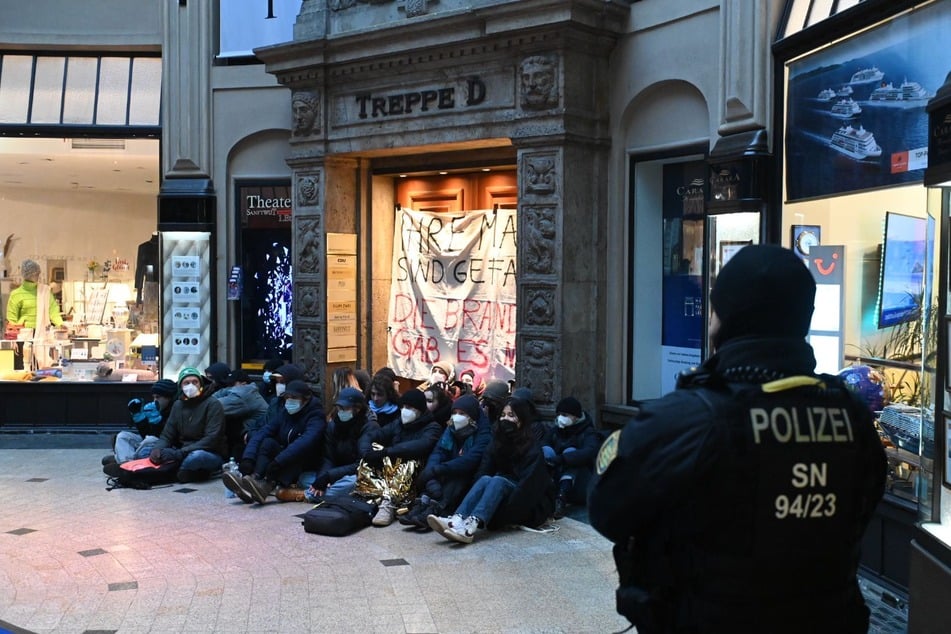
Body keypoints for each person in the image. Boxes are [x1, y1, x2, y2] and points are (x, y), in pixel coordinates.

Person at [588, 244, 887, 634]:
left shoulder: (686, 418)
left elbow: (606, 508)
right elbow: (863, 508)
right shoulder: (853, 415)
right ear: (805, 319)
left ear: (720, 320)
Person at [427, 395, 556, 544]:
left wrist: (501, 516)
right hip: (499, 493)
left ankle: (471, 526)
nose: (505, 419)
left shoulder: (532, 448)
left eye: (511, 415)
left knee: (497, 480)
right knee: (486, 479)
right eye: (503, 415)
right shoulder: (497, 441)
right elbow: (483, 470)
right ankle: (457, 518)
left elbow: (528, 488)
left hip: (525, 503)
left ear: (521, 420)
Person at [399, 394, 491, 530]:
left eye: (462, 413)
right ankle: (422, 505)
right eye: (454, 413)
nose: (456, 417)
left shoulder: (483, 434)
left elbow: (470, 460)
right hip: (447, 468)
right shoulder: (451, 429)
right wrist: (432, 472)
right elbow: (438, 452)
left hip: (468, 476)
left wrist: (438, 469)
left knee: (456, 477)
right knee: (433, 472)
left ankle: (437, 509)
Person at [225, 379, 325, 504]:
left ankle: (267, 485)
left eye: (294, 397)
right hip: (286, 454)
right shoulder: (285, 413)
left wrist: (278, 461)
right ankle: (254, 478)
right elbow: (263, 432)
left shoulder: (316, 416)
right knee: (268, 443)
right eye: (287, 397)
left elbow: (305, 442)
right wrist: (248, 458)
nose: (289, 401)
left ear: (306, 399)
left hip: (306, 461)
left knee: (296, 456)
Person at [357, 388, 442, 526]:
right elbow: (372, 436)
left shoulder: (432, 427)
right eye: (403, 407)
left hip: (415, 476)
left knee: (410, 462)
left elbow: (420, 446)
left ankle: (388, 503)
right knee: (373, 449)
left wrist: (387, 452)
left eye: (409, 407)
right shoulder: (398, 424)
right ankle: (370, 494)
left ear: (419, 410)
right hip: (392, 471)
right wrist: (368, 453)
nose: (404, 411)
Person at [145, 367, 228, 483]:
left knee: (196, 457)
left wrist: (179, 453)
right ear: (181, 387)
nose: (191, 386)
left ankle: (171, 473)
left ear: (201, 384)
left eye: (195, 382)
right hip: (181, 450)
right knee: (146, 450)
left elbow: (211, 439)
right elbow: (167, 435)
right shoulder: (178, 405)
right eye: (186, 383)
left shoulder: (212, 404)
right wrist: (157, 449)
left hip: (208, 452)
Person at [304, 386, 380, 501]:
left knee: (353, 483)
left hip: (356, 474)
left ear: (358, 409)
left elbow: (361, 464)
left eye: (345, 408)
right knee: (304, 478)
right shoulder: (333, 426)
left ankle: (308, 495)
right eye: (339, 408)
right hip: (336, 473)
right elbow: (328, 457)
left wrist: (330, 476)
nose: (341, 412)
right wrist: (322, 478)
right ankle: (323, 492)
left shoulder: (369, 427)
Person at [541, 396, 602, 519]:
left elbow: (589, 451)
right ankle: (545, 491)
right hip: (556, 476)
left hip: (580, 482)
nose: (560, 418)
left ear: (575, 416)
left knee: (572, 452)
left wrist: (562, 458)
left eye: (564, 414)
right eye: (558, 414)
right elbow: (542, 444)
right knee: (546, 450)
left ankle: (561, 497)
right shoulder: (555, 430)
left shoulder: (588, 432)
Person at [103, 378, 178, 465]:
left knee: (149, 440)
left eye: (158, 397)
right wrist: (139, 418)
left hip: (165, 445)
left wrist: (157, 422)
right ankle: (125, 463)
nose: (155, 401)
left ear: (168, 397)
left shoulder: (176, 409)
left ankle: (124, 460)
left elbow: (166, 437)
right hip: (149, 441)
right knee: (123, 436)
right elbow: (146, 434)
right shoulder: (157, 408)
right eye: (153, 397)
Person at [6, 259, 64, 369]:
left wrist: (61, 324)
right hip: (23, 337)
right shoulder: (16, 294)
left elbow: (53, 311)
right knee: (24, 369)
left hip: (42, 336)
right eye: (35, 273)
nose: (38, 276)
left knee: (43, 370)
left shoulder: (45, 291)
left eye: (38, 273)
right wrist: (12, 339)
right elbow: (11, 319)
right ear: (28, 274)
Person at [212, 368, 269, 461]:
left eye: (232, 385)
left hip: (253, 436)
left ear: (243, 384)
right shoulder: (242, 391)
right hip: (246, 433)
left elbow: (213, 406)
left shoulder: (245, 394)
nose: (229, 388)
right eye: (227, 385)